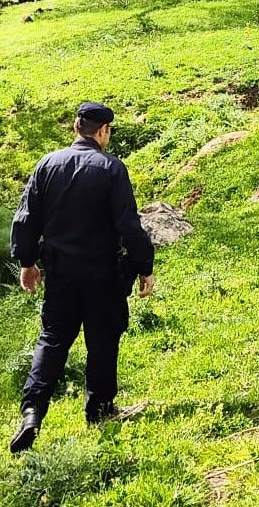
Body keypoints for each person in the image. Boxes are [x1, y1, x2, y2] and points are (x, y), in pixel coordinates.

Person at [8, 101, 155, 453]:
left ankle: (32, 412)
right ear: (103, 131)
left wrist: (27, 262)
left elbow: (25, 219)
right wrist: (144, 266)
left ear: (76, 128)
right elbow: (128, 225)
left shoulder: (47, 164)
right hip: (103, 272)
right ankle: (100, 411)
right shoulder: (111, 169)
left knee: (53, 339)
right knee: (102, 340)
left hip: (60, 273)